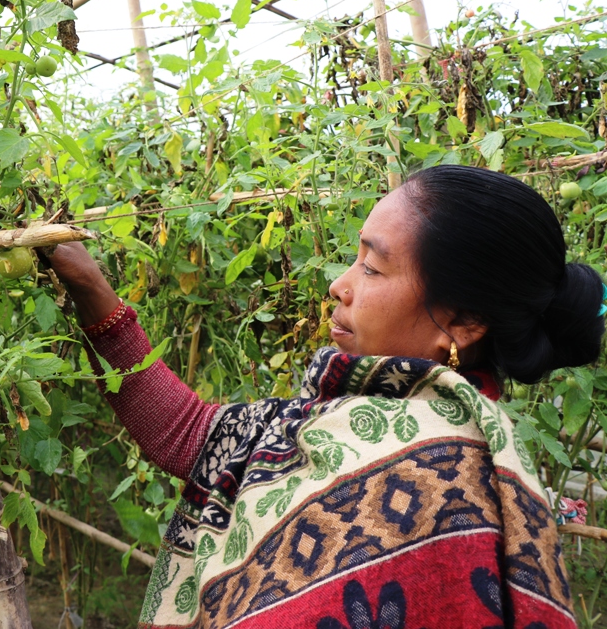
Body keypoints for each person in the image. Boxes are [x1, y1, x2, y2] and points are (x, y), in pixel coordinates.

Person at [43, 166, 606, 629]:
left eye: (373, 267)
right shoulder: (345, 424)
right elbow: (192, 435)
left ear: (460, 322)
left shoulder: (449, 488)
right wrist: (90, 287)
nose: (341, 284)